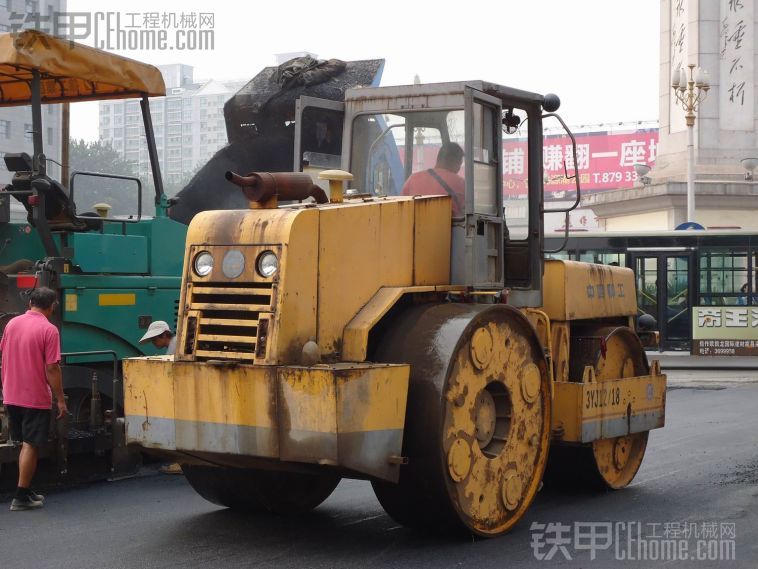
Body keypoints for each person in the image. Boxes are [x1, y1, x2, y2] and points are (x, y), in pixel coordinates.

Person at [1, 287, 66, 511]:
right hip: (33, 395)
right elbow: (52, 368)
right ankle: (20, 497)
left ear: (30, 304)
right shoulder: (49, 330)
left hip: (11, 393)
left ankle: (26, 490)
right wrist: (60, 399)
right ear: (52, 307)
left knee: (25, 444)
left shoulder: (12, 324)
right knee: (31, 445)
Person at [139, 320, 180, 474]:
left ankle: (181, 462)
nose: (153, 342)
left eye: (155, 339)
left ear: (164, 335)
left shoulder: (173, 347)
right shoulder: (174, 343)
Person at [401, 142, 465, 214]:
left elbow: (402, 209)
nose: (459, 168)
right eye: (459, 163)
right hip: (445, 225)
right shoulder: (460, 183)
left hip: (414, 224)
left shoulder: (412, 179)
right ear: (453, 161)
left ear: (438, 158)